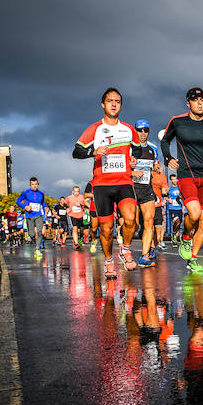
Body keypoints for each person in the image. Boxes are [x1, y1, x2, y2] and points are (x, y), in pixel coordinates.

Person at [72, 87, 141, 279]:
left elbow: (136, 150)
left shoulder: (128, 130)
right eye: (110, 101)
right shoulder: (94, 129)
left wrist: (133, 160)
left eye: (117, 101)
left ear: (121, 105)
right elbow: (76, 152)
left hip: (124, 181)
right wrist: (92, 152)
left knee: (131, 220)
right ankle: (109, 260)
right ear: (103, 104)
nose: (113, 104)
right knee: (106, 229)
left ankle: (125, 249)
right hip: (102, 184)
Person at [160, 86, 203, 273]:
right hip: (186, 175)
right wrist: (168, 158)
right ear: (188, 103)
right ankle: (185, 236)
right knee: (195, 214)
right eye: (196, 100)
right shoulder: (177, 122)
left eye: (202, 100)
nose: (200, 103)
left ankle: (193, 259)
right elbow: (165, 141)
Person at [130, 119, 159, 267]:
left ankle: (144, 256)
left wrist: (157, 169)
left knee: (149, 222)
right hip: (131, 189)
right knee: (133, 224)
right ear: (135, 130)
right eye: (140, 130)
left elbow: (155, 166)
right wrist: (132, 173)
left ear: (149, 131)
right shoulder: (129, 148)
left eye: (145, 130)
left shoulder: (153, 149)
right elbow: (121, 169)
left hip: (147, 190)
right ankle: (126, 251)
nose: (142, 133)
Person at [15, 177, 47, 250]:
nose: (34, 186)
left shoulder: (41, 193)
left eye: (36, 184)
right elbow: (18, 201)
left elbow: (43, 203)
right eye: (33, 184)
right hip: (29, 215)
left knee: (39, 232)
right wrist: (25, 207)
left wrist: (45, 207)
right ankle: (33, 240)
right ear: (30, 185)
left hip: (39, 215)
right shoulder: (26, 192)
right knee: (31, 234)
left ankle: (37, 248)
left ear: (38, 184)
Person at [61, 186, 87, 250]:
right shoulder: (69, 198)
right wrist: (67, 208)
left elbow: (85, 205)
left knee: (80, 230)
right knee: (74, 229)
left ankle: (80, 238)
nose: (76, 193)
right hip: (72, 215)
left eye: (77, 191)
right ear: (73, 191)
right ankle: (76, 243)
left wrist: (80, 205)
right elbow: (64, 204)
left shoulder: (82, 197)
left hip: (80, 215)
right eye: (75, 191)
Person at [151, 161, 168, 251]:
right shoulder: (148, 174)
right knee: (148, 227)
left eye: (159, 166)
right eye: (156, 166)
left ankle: (153, 247)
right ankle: (148, 247)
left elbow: (165, 187)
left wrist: (165, 198)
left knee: (158, 227)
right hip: (146, 204)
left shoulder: (162, 177)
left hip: (157, 205)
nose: (158, 168)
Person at [166, 174, 183, 245]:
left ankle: (175, 235)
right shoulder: (169, 189)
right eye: (173, 179)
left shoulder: (180, 188)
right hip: (172, 208)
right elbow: (164, 197)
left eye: (175, 179)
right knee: (177, 222)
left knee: (179, 224)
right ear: (171, 180)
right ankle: (174, 235)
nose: (174, 181)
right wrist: (168, 199)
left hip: (180, 208)